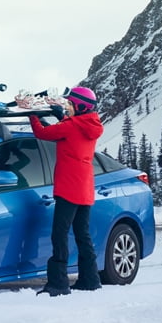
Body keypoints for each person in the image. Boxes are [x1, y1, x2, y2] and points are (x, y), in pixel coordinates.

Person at [28, 86, 104, 297]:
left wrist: (31, 114)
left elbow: (42, 133)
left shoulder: (71, 126)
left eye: (70, 104)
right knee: (83, 234)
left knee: (59, 234)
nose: (67, 107)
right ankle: (90, 279)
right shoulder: (90, 124)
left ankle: (58, 283)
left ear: (80, 107)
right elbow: (69, 126)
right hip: (84, 188)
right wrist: (59, 113)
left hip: (69, 187)